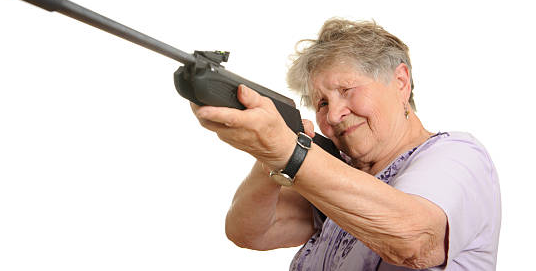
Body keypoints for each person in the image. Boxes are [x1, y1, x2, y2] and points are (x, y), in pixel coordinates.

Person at [191, 18, 501, 270]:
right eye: (322, 102)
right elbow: (248, 231)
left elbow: (414, 241)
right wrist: (269, 155)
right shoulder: (340, 179)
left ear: (401, 82)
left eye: (347, 90)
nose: (335, 114)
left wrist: (289, 152)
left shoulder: (458, 155)